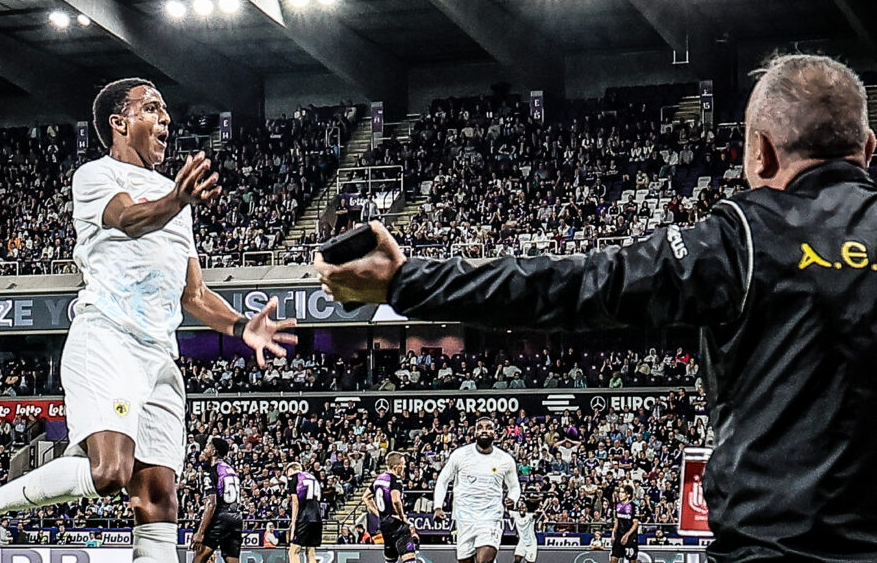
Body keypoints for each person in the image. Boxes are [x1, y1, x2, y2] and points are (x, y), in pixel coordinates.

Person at [316, 53, 877, 562]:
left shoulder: (741, 240)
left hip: (772, 547)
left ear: (762, 151)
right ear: (869, 147)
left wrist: (408, 281)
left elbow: (570, 284)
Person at [0, 78, 297, 557]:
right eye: (151, 108)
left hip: (159, 357)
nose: (165, 118)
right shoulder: (96, 176)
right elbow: (129, 220)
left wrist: (239, 326)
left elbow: (193, 293)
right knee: (110, 472)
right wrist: (177, 201)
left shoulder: (174, 198)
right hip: (108, 338)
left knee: (159, 498)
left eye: (164, 110)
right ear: (119, 123)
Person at [432, 419, 520, 563]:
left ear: (495, 433)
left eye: (489, 427)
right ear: (474, 432)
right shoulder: (460, 455)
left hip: (491, 517)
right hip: (464, 518)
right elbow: (443, 480)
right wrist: (437, 506)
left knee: (484, 560)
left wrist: (513, 498)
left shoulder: (505, 459)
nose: (484, 430)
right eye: (480, 427)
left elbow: (515, 486)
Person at [191, 437, 243, 563]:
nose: (204, 450)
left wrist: (200, 532)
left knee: (199, 557)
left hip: (220, 517)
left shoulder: (211, 471)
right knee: (232, 560)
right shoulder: (231, 470)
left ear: (213, 452)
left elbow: (211, 504)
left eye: (207, 447)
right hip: (236, 518)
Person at [363, 452, 417, 563]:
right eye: (403, 464)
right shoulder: (395, 480)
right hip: (397, 524)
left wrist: (380, 514)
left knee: (390, 559)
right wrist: (402, 517)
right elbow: (396, 500)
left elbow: (365, 497)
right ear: (396, 466)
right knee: (409, 558)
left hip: (385, 525)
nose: (404, 466)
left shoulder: (379, 479)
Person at [286, 462, 323, 563]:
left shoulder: (294, 477)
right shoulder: (314, 478)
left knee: (293, 552)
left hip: (304, 518)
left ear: (290, 470)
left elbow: (295, 502)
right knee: (311, 552)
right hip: (317, 518)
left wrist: (293, 522)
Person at [509, 499, 543, 563]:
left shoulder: (530, 516)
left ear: (526, 509)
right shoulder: (516, 514)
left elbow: (535, 515)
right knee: (517, 559)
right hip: (522, 542)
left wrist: (539, 510)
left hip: (531, 544)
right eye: (520, 508)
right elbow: (506, 511)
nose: (522, 509)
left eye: (523, 508)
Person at [610, 487, 639, 563]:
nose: (620, 494)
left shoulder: (634, 506)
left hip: (630, 536)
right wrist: (613, 533)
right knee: (613, 559)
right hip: (619, 535)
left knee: (632, 560)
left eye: (623, 492)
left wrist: (626, 535)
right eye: (619, 492)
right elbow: (616, 521)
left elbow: (635, 524)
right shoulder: (617, 505)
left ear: (628, 494)